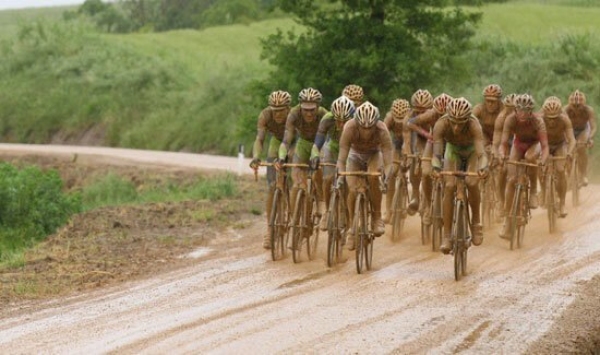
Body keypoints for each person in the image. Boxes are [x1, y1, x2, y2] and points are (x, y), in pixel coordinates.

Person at [428, 97, 488, 254]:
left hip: (471, 152)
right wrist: (435, 167)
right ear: (448, 118)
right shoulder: (441, 124)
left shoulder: (474, 125)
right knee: (449, 186)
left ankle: (476, 223)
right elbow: (437, 153)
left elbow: (481, 153)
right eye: (453, 122)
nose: (456, 127)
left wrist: (483, 168)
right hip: (452, 150)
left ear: (467, 120)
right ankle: (447, 236)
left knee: (472, 182)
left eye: (460, 123)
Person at [337, 102, 393, 250]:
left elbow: (388, 160)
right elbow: (341, 158)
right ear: (357, 123)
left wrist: (386, 177)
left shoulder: (382, 129)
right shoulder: (349, 128)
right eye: (363, 127)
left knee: (374, 177)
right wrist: (341, 174)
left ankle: (376, 217)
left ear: (376, 124)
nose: (367, 131)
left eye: (370, 128)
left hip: (374, 155)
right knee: (353, 189)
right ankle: (352, 228)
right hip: (354, 156)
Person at [278, 88, 329, 247]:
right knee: (298, 185)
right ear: (300, 106)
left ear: (317, 106)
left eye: (312, 109)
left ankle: (320, 199)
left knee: (318, 170)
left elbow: (329, 138)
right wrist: (281, 156)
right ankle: (297, 223)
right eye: (305, 109)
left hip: (320, 145)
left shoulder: (324, 115)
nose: (308, 113)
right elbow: (286, 139)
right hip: (302, 145)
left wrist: (320, 155)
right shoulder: (293, 114)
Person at [498, 94, 549, 239]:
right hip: (518, 145)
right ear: (515, 110)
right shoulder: (510, 119)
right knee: (511, 179)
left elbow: (545, 146)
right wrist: (502, 155)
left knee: (529, 157)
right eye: (519, 110)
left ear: (531, 111)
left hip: (534, 145)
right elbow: (503, 143)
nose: (522, 113)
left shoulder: (538, 121)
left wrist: (543, 161)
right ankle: (508, 221)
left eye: (526, 110)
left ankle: (533, 191)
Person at [249, 90, 292, 249]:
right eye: (275, 110)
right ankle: (270, 228)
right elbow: (259, 139)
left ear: (288, 108)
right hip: (277, 142)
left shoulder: (294, 115)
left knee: (295, 180)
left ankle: (295, 216)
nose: (278, 114)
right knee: (272, 186)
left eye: (281, 110)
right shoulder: (265, 115)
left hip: (294, 142)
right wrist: (255, 156)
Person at [406, 92, 453, 225]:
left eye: (445, 115)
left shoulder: (456, 116)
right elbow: (410, 123)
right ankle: (427, 205)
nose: (441, 117)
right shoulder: (430, 114)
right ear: (434, 110)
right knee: (426, 173)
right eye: (438, 114)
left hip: (450, 144)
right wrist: (426, 134)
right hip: (432, 143)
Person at [309, 95, 356, 230]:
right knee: (328, 178)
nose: (341, 125)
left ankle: (347, 214)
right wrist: (315, 154)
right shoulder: (327, 119)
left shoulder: (357, 121)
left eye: (344, 121)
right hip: (333, 147)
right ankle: (327, 212)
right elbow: (319, 140)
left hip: (351, 150)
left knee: (348, 183)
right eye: (338, 121)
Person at [539, 96, 575, 217]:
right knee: (540, 165)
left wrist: (569, 153)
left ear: (560, 114)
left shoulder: (565, 119)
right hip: (545, 145)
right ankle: (544, 192)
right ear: (544, 114)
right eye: (549, 119)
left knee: (560, 170)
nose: (552, 121)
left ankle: (562, 204)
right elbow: (533, 138)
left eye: (555, 118)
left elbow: (572, 139)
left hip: (560, 145)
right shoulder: (539, 119)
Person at [383, 98, 412, 224]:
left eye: (402, 121)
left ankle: (407, 198)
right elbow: (383, 136)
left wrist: (409, 155)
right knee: (392, 173)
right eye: (397, 121)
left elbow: (409, 141)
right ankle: (388, 210)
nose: (399, 124)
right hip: (395, 142)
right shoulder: (389, 118)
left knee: (409, 164)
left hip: (410, 140)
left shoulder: (412, 118)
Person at [406, 89, 434, 216]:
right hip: (419, 140)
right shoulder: (410, 115)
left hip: (433, 140)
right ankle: (415, 195)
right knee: (416, 160)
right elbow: (406, 134)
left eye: (424, 111)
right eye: (417, 110)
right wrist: (406, 152)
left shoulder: (434, 114)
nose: (420, 113)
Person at [491, 93, 518, 219]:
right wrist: (497, 155)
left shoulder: (524, 117)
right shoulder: (501, 118)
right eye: (508, 108)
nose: (511, 111)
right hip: (506, 143)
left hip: (519, 143)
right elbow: (496, 141)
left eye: (514, 109)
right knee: (502, 171)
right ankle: (500, 202)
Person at [564, 89, 596, 187]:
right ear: (570, 105)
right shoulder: (565, 110)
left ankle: (583, 174)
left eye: (579, 107)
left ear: (584, 104)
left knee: (581, 148)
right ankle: (570, 174)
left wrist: (590, 138)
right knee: (568, 151)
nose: (577, 109)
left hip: (583, 130)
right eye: (574, 107)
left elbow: (593, 127)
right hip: (570, 130)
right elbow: (562, 126)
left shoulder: (589, 110)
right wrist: (565, 139)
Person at [473, 84, 504, 149]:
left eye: (493, 101)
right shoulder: (479, 109)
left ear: (499, 101)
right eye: (488, 101)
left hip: (501, 135)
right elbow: (469, 122)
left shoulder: (504, 109)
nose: (490, 104)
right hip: (485, 135)